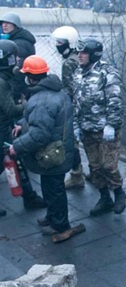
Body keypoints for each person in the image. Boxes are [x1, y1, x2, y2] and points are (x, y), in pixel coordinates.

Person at [9, 56, 79, 241]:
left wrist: (18, 146)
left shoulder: (41, 99)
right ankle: (52, 217)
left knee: (54, 190)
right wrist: (23, 125)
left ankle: (61, 226)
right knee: (51, 188)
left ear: (31, 78)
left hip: (51, 155)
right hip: (60, 149)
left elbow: (40, 134)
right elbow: (40, 119)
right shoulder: (56, 92)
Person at [73, 38, 126, 217]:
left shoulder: (107, 72)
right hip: (87, 128)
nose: (79, 56)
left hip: (105, 130)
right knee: (95, 167)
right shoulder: (78, 73)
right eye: (78, 52)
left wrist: (111, 125)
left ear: (93, 54)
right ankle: (105, 198)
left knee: (108, 165)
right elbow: (76, 101)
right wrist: (75, 125)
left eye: (83, 52)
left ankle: (119, 193)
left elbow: (115, 100)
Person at [0, 39, 45, 211]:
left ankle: (30, 197)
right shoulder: (1, 82)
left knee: (16, 160)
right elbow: (10, 110)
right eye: (14, 58)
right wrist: (29, 104)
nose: (17, 61)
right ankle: (30, 198)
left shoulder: (4, 79)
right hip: (2, 129)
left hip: (4, 127)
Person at [51, 25, 86, 190]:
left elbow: (69, 88)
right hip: (84, 106)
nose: (58, 45)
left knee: (72, 142)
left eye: (60, 42)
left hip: (74, 108)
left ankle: (76, 174)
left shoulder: (69, 62)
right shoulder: (77, 57)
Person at [0, 12, 35, 100]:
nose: (4, 25)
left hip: (17, 86)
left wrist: (14, 93)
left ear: (15, 25)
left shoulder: (19, 43)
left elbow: (17, 71)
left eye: (8, 23)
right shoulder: (14, 39)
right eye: (3, 23)